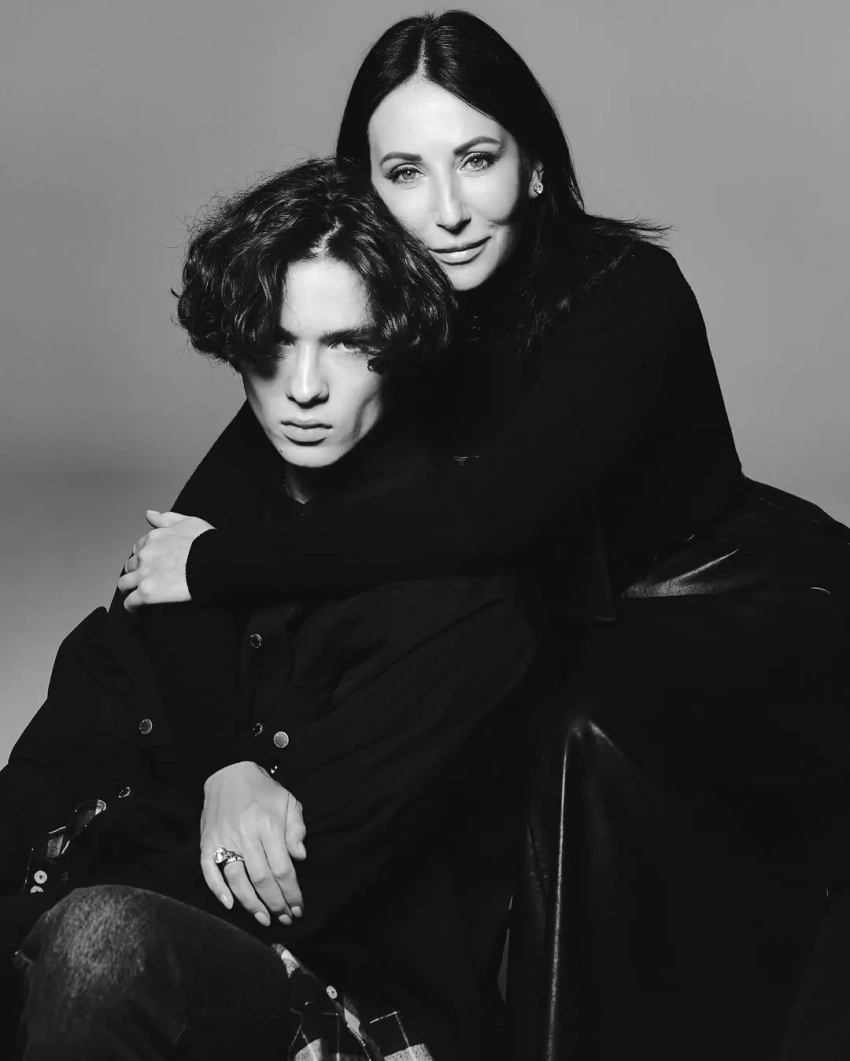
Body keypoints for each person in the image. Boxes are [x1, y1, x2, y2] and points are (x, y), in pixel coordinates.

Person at [117, 11, 850, 1061]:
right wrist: (225, 764)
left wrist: (217, 562)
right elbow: (185, 549)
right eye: (405, 173)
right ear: (363, 187)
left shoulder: (625, 292)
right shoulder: (379, 312)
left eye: (477, 159)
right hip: (539, 618)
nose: (449, 211)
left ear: (536, 165)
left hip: (721, 606)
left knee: (563, 731)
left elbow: (487, 517)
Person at [0, 158, 542, 1060]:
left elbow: (295, 883)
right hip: (109, 932)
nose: (305, 387)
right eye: (276, 344)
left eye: (347, 344)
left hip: (347, 1003)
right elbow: (62, 752)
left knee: (102, 943)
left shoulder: (461, 595)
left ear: (402, 343)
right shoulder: (193, 548)